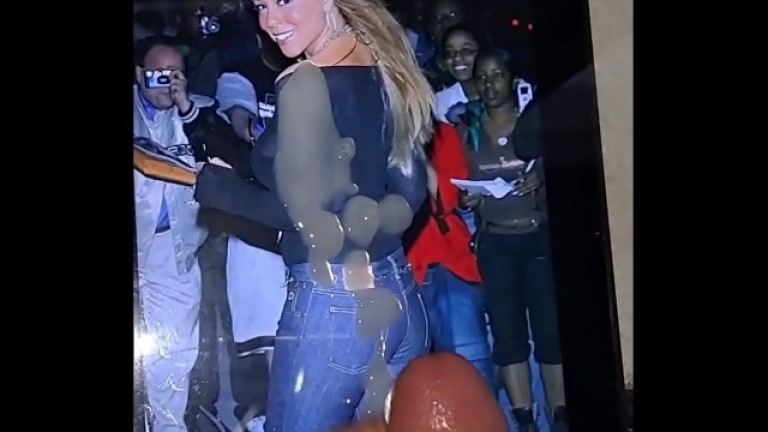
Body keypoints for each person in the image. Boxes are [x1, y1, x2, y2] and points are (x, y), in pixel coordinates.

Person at [193, 0, 436, 430]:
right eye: (261, 5)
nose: (270, 21)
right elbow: (412, 190)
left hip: (335, 305)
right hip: (396, 290)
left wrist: (219, 189)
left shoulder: (309, 81)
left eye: (284, 0)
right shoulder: (381, 64)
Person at [458, 48, 567, 432]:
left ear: (512, 79)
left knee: (551, 332)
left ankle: (559, 415)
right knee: (507, 335)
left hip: (537, 237)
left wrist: (542, 178)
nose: (489, 85)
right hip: (496, 243)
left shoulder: (534, 123)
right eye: (482, 77)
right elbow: (457, 186)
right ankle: (524, 420)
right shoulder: (467, 130)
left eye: (497, 75)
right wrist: (468, 198)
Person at [133, 36, 214, 432]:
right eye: (158, 74)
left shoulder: (194, 115)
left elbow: (221, 154)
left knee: (174, 353)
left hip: (173, 250)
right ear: (138, 75)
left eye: (175, 74)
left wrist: (186, 107)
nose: (167, 81)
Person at [406, 123, 495, 391]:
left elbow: (445, 198)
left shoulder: (444, 134)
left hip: (447, 261)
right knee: (411, 378)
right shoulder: (375, 133)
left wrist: (414, 148)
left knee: (468, 367)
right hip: (399, 269)